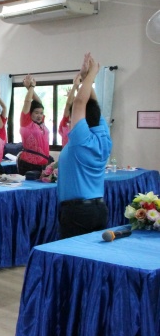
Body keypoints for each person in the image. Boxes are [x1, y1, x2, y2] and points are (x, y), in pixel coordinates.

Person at [57, 53, 112, 239]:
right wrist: (85, 78)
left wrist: (92, 73)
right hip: (99, 209)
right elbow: (92, 107)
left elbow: (80, 102)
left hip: (78, 212)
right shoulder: (104, 138)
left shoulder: (82, 140)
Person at [17, 75, 51, 175]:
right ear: (30, 113)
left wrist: (29, 88)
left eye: (41, 113)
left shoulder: (41, 124)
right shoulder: (26, 123)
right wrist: (31, 87)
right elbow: (27, 102)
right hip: (28, 164)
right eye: (36, 113)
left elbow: (39, 102)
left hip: (43, 164)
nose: (39, 115)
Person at [59, 74, 80, 147]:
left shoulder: (81, 122)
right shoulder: (66, 121)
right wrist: (75, 86)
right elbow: (68, 104)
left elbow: (82, 102)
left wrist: (77, 87)